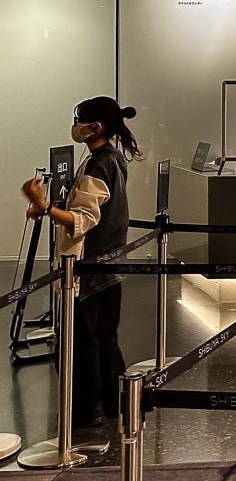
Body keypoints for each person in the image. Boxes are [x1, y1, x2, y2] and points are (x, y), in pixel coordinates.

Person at [20, 97, 141, 430]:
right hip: (109, 265)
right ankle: (117, 404)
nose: (76, 124)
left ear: (95, 127)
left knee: (82, 342)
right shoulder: (112, 159)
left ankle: (87, 410)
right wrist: (48, 207)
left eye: (80, 119)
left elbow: (83, 219)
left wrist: (45, 207)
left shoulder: (98, 164)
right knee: (104, 338)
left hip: (86, 269)